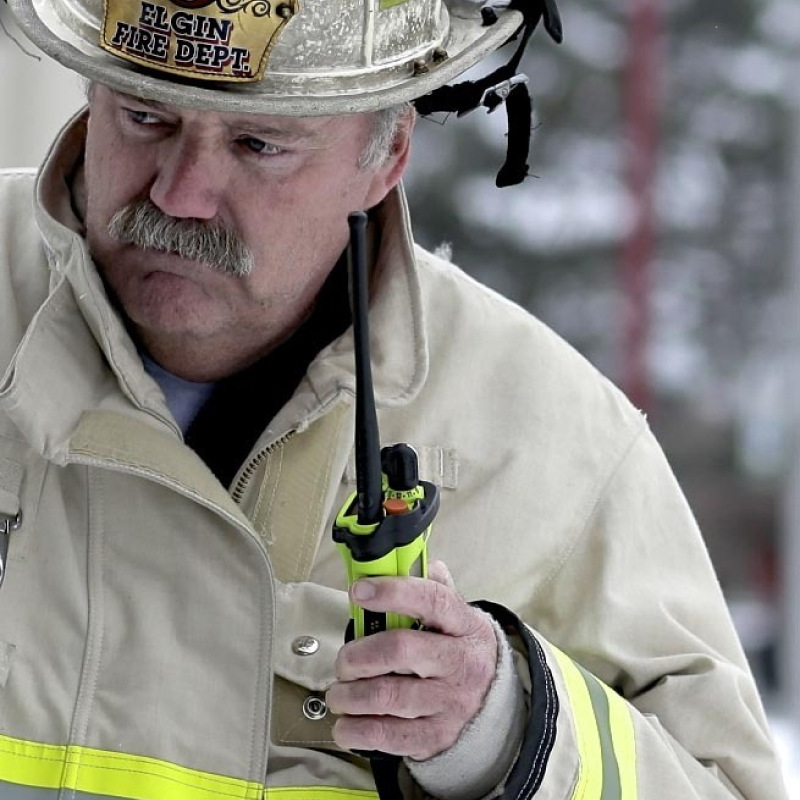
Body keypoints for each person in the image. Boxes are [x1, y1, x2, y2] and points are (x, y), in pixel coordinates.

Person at [0, 0, 789, 798]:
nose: (181, 194)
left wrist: (509, 733)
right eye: (145, 117)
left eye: (259, 143)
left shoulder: (560, 448)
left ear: (387, 156)